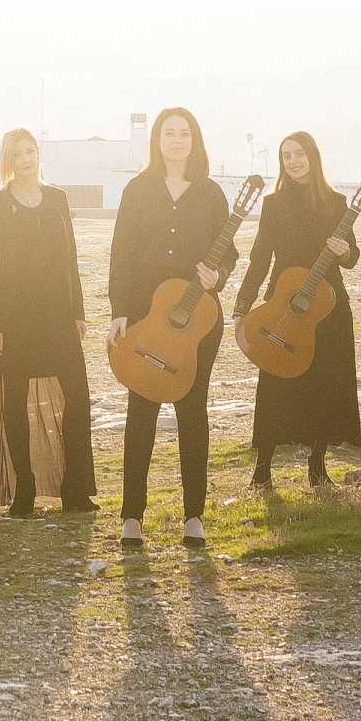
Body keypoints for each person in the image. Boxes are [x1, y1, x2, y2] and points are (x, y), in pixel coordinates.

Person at [110, 106, 232, 548]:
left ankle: (193, 516)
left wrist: (217, 276)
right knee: (140, 411)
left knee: (192, 410)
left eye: (185, 133)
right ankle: (131, 516)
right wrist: (120, 309)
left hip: (197, 318)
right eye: (169, 133)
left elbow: (229, 253)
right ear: (157, 140)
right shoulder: (137, 190)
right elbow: (120, 251)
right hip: (144, 313)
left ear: (195, 140)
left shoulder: (211, 193)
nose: (177, 139)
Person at [0, 128, 96, 516]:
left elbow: (71, 259)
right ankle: (23, 489)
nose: (26, 159)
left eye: (31, 151)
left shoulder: (58, 198)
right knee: (15, 402)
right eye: (17, 153)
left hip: (59, 314)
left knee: (78, 398)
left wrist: (78, 312)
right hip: (14, 318)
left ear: (38, 153)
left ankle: (74, 488)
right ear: (6, 160)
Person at [244, 131, 361, 494]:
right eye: (286, 156)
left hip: (328, 305)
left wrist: (344, 251)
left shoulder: (337, 202)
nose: (293, 161)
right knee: (274, 384)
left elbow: (353, 258)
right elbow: (259, 257)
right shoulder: (273, 204)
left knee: (324, 385)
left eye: (298, 154)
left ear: (313, 156)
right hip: (284, 304)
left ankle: (317, 468)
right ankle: (262, 471)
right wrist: (243, 303)